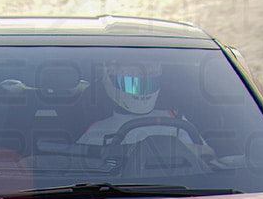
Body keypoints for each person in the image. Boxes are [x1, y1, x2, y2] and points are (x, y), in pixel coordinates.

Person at [77, 60, 212, 165]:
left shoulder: (177, 121)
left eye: (149, 83)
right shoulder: (97, 131)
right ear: (110, 81)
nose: (141, 90)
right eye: (132, 84)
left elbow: (206, 157)